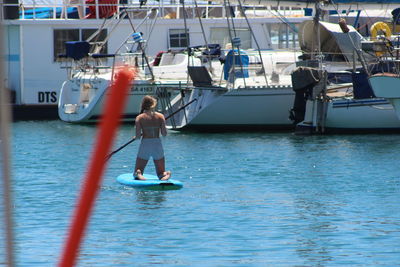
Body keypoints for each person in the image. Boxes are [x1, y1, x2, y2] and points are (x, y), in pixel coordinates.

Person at [133, 95, 171, 181]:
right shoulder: (161, 116)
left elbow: (138, 136)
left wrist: (135, 137)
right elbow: (164, 134)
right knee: (161, 174)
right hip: (157, 143)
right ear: (153, 104)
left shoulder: (140, 118)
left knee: (137, 172)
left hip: (145, 143)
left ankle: (139, 174)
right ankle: (166, 175)